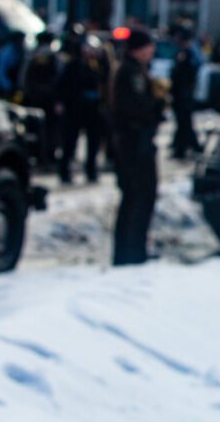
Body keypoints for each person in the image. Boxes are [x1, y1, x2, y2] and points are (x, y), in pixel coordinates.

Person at [110, 25, 165, 265]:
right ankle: (131, 252)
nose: (152, 51)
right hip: (134, 142)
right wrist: (158, 105)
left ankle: (131, 250)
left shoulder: (135, 70)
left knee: (136, 197)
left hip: (132, 141)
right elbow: (136, 108)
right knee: (139, 197)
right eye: (149, 47)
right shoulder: (131, 73)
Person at [54, 24, 107, 184]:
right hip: (74, 108)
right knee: (70, 142)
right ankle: (65, 171)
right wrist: (60, 102)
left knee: (93, 142)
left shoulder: (97, 66)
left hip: (92, 109)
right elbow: (61, 85)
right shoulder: (73, 65)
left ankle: (91, 171)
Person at [21, 30, 61, 165]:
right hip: (50, 99)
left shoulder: (32, 57)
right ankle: (49, 155)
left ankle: (37, 155)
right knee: (51, 128)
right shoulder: (54, 58)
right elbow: (59, 79)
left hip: (34, 98)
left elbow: (24, 78)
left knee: (35, 128)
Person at [169, 26, 201, 159]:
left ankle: (187, 146)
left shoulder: (189, 53)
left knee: (185, 120)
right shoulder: (182, 52)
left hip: (184, 92)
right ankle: (182, 146)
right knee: (182, 120)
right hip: (179, 92)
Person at [0, 30, 26, 100]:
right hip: (3, 88)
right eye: (21, 40)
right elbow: (0, 72)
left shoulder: (20, 51)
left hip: (13, 88)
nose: (22, 42)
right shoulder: (7, 52)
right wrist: (8, 87)